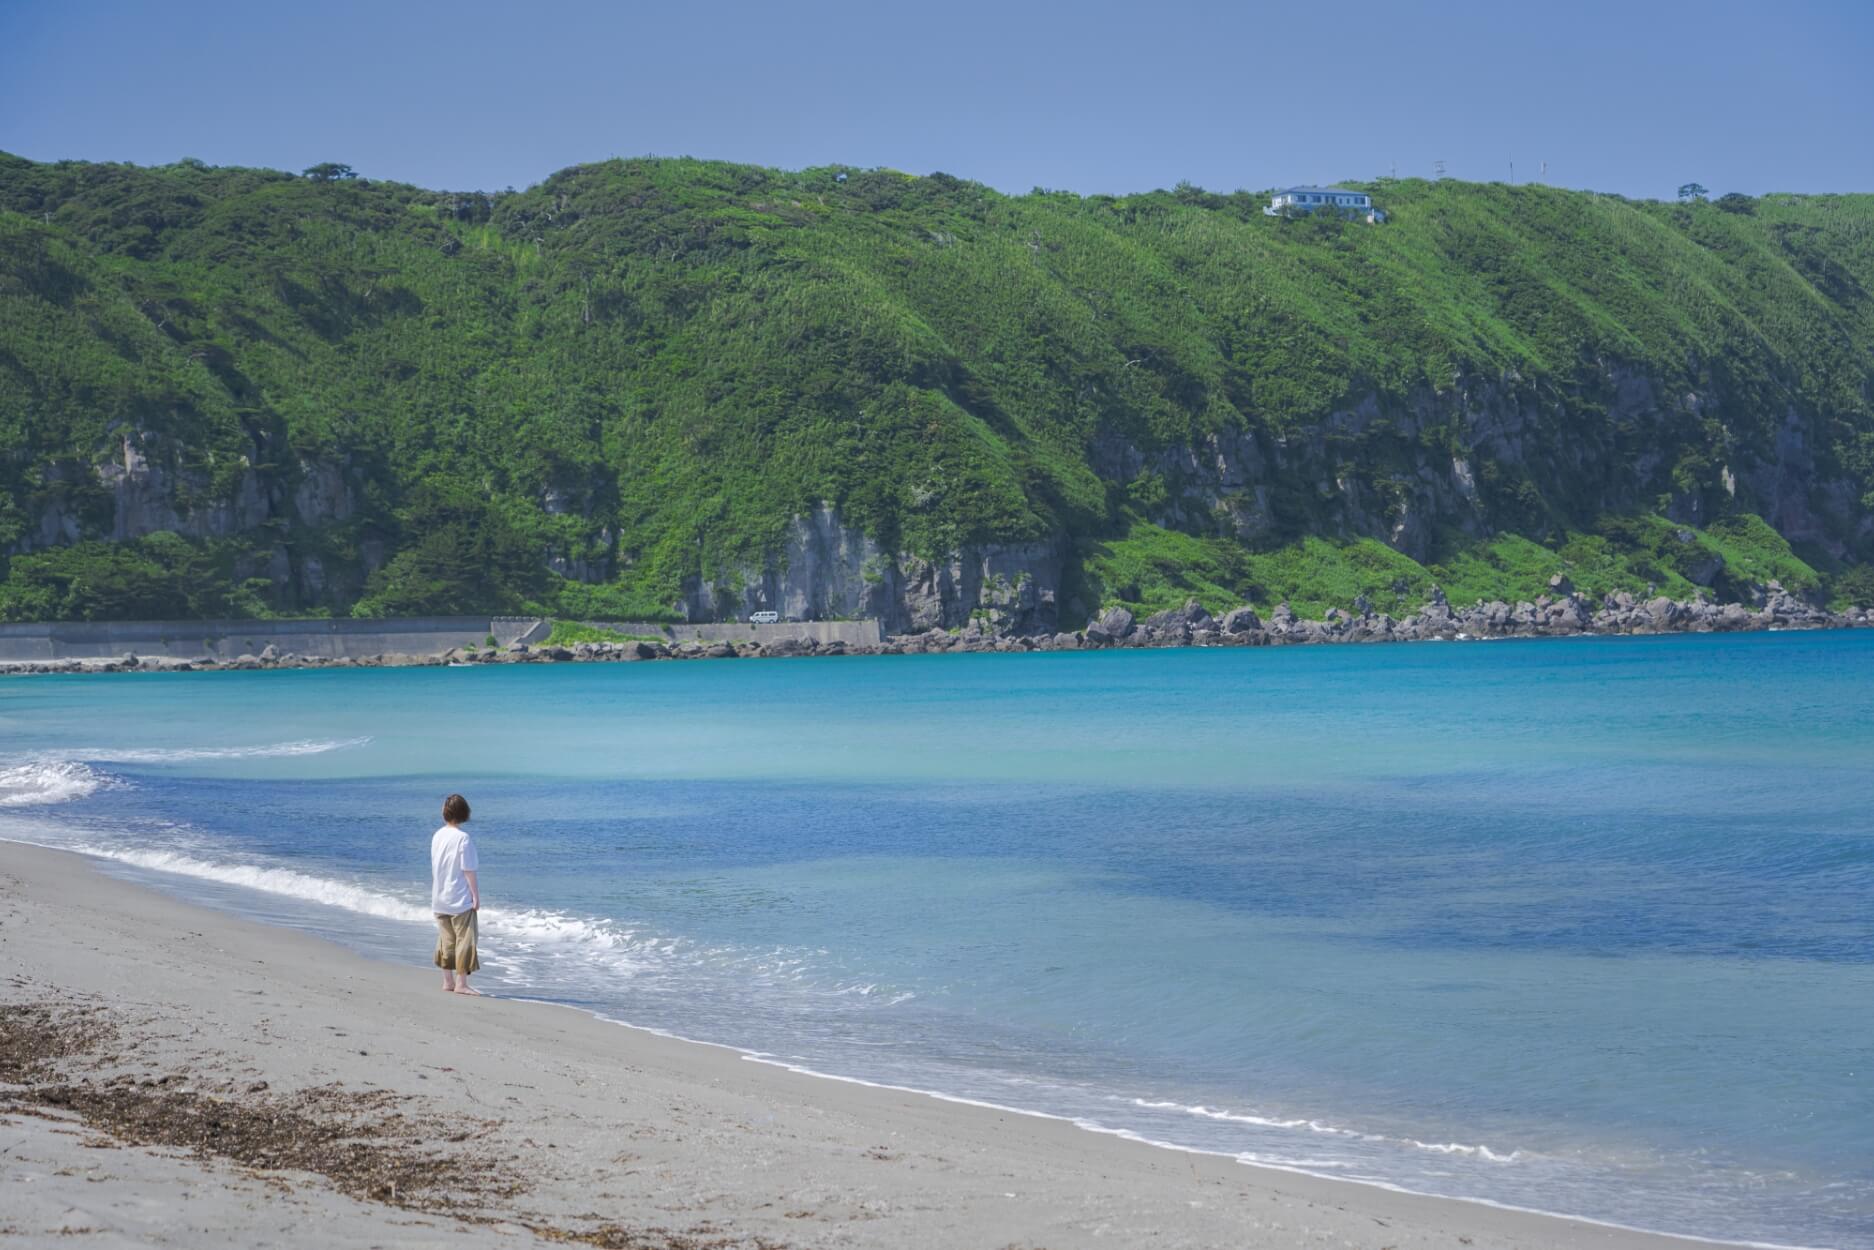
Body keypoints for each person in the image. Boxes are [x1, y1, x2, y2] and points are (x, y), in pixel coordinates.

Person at [431, 793, 483, 995]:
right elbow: (468, 870)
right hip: (459, 897)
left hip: (439, 896)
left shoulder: (437, 835)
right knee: (465, 939)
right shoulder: (463, 838)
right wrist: (476, 896)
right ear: (464, 813)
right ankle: (461, 984)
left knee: (446, 940)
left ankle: (448, 981)